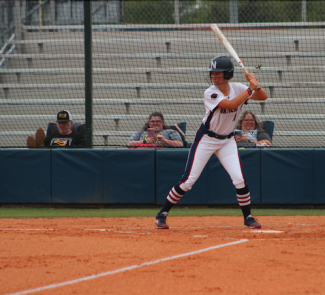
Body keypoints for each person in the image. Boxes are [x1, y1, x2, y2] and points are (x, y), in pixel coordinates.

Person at [155, 56, 268, 230]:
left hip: (227, 140)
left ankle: (248, 217)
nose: (214, 77)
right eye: (213, 74)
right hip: (206, 139)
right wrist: (248, 90)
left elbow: (263, 97)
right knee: (188, 181)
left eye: (218, 74)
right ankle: (162, 214)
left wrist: (255, 85)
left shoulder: (238, 87)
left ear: (228, 74)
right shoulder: (210, 92)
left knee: (239, 178)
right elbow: (229, 105)